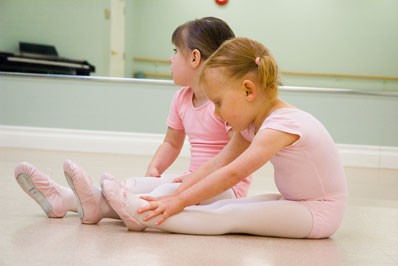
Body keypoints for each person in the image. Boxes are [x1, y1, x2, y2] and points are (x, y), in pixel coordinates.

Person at [101, 37, 347, 239]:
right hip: (293, 201)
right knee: (218, 206)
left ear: (248, 90)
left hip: (318, 211)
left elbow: (233, 173)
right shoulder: (252, 125)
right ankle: (125, 207)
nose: (217, 112)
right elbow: (218, 163)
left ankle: (142, 215)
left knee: (229, 214)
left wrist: (180, 201)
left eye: (219, 102)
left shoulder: (282, 125)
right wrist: (178, 192)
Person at [14, 17, 252, 224]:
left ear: (194, 58)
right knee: (135, 185)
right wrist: (156, 167)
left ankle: (73, 200)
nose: (170, 59)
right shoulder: (181, 99)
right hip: (192, 180)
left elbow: (237, 152)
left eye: (174, 51)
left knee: (164, 191)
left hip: (226, 190)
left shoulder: (224, 103)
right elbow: (171, 142)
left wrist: (192, 180)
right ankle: (65, 200)